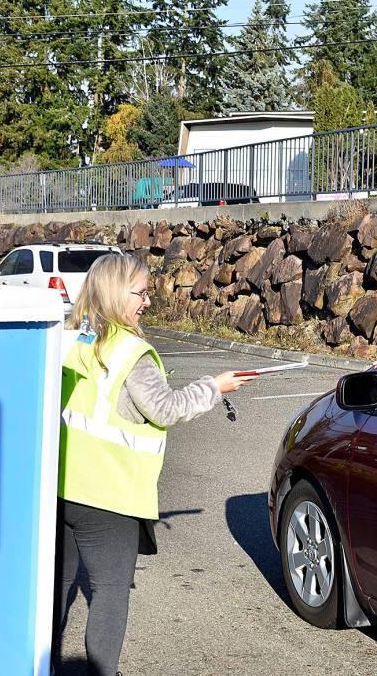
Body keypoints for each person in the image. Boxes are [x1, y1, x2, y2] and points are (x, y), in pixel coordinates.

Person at [54, 253, 254, 676]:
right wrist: (214, 387)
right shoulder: (132, 352)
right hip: (110, 495)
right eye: (140, 293)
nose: (147, 302)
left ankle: (42, 664)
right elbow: (164, 409)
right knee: (110, 591)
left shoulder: (70, 337)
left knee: (57, 589)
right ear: (113, 292)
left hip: (60, 486)